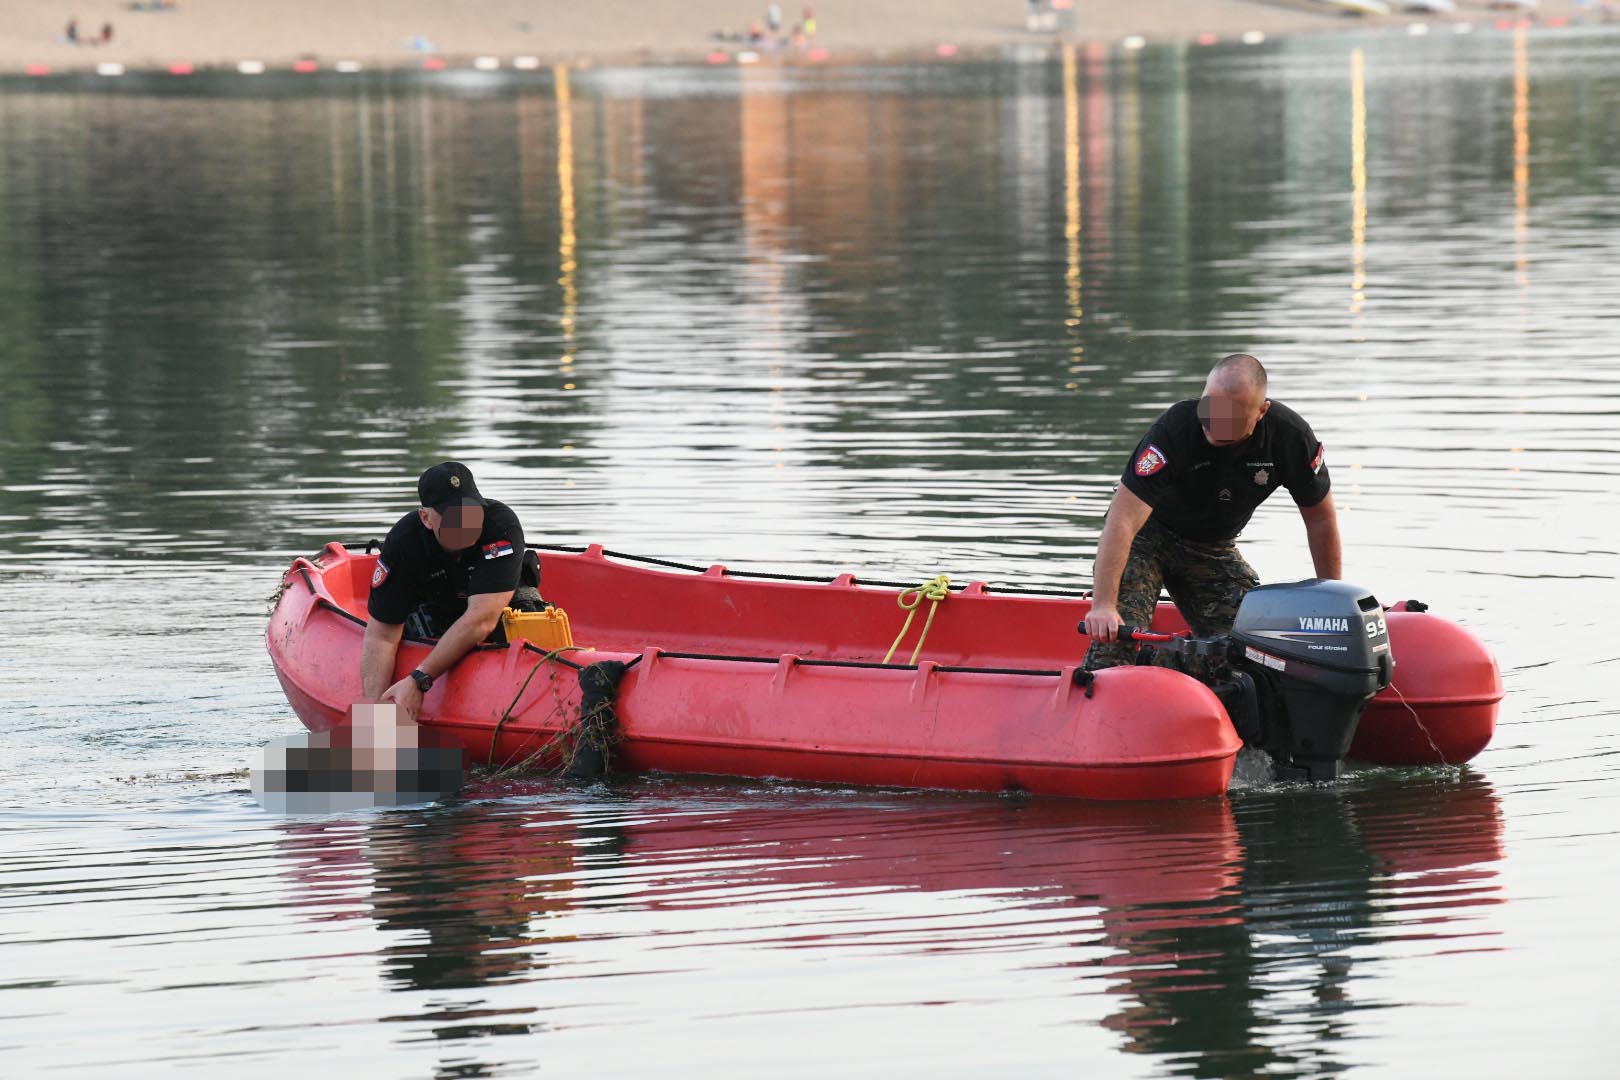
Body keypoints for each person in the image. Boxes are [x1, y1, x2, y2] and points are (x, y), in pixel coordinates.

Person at [1081, 354, 1341, 670]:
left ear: (1261, 411)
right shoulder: (1175, 429)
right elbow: (1122, 520)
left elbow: (1320, 519)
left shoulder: (1289, 437)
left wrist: (1332, 601)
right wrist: (1103, 605)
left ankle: (1158, 662)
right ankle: (1115, 677)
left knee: (1255, 651)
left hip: (1210, 549)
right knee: (1116, 644)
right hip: (1145, 539)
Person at [360, 462, 543, 721]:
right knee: (416, 628)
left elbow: (481, 619)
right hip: (436, 610)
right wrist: (375, 713)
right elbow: (382, 636)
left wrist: (419, 679)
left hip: (493, 607)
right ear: (426, 518)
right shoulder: (404, 543)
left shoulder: (501, 527)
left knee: (529, 610)